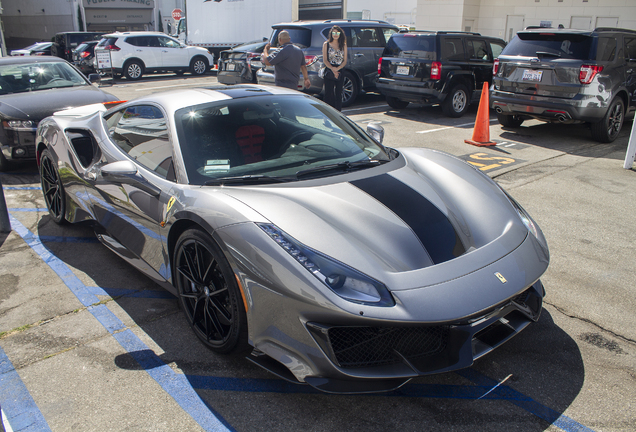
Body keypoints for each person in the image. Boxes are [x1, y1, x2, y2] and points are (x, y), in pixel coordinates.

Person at [321, 25, 348, 111]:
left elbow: (345, 60)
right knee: (329, 93)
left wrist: (338, 69)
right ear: (331, 34)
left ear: (340, 34)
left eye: (337, 33)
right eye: (334, 33)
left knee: (338, 93)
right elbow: (325, 60)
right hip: (329, 69)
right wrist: (333, 69)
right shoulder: (326, 44)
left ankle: (338, 113)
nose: (335, 34)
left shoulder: (343, 45)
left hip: (340, 70)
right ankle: (328, 113)